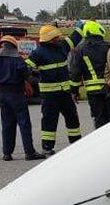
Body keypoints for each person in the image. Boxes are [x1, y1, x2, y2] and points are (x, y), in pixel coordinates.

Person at [0, 35, 44, 161]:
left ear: (1, 45)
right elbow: (26, 75)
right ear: (13, 46)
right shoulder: (17, 59)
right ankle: (29, 152)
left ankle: (7, 153)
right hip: (17, 94)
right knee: (24, 123)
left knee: (7, 124)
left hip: (3, 95)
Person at [27, 25, 82, 155]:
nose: (59, 37)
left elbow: (74, 38)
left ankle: (76, 142)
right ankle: (47, 146)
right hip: (50, 95)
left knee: (72, 117)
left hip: (64, 93)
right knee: (49, 120)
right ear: (51, 38)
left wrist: (83, 25)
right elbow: (25, 68)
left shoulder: (61, 46)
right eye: (56, 36)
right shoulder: (38, 53)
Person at [69, 21, 110, 128]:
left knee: (99, 119)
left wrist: (74, 91)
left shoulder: (79, 50)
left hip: (93, 91)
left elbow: (75, 73)